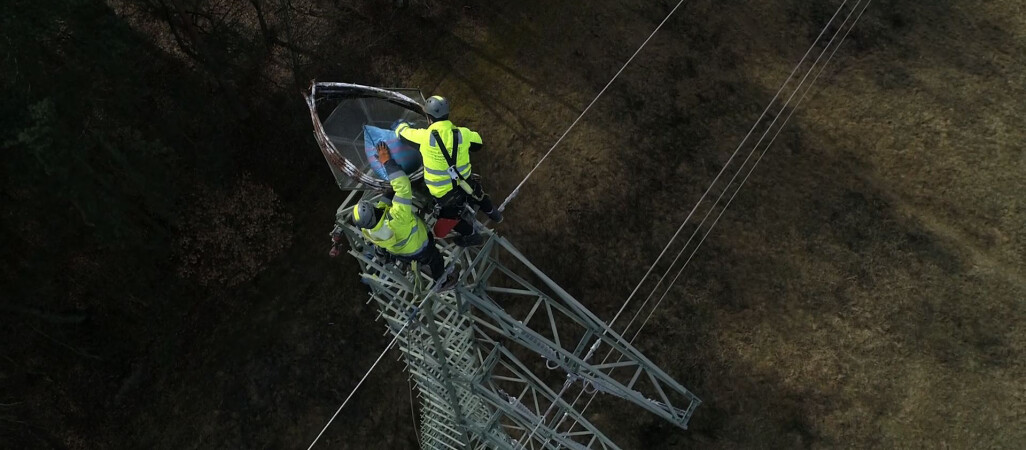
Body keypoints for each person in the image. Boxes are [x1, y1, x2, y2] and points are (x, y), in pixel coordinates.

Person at [344, 141, 457, 290]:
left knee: (423, 255)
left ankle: (428, 272)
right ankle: (441, 282)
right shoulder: (397, 217)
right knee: (435, 259)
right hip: (420, 248)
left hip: (403, 253)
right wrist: (388, 163)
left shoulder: (368, 229)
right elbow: (403, 187)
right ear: (372, 211)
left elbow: (384, 203)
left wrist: (388, 187)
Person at [395, 95, 501, 247]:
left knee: (449, 217)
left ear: (428, 116)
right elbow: (478, 142)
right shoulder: (462, 134)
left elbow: (401, 132)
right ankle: (493, 214)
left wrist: (402, 124)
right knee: (477, 193)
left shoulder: (424, 137)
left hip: (444, 195)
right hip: (466, 184)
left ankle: (472, 236)